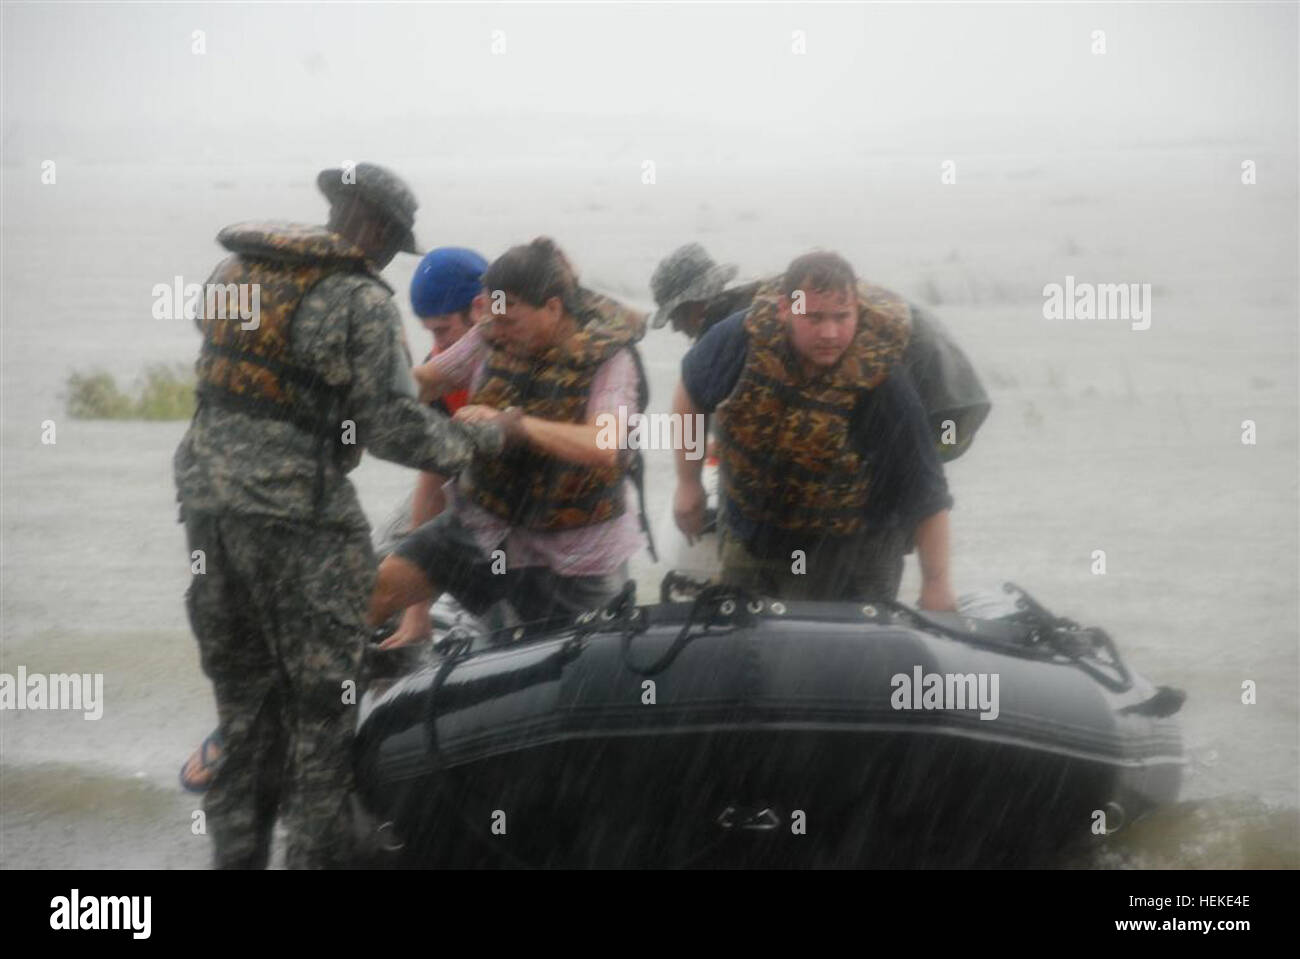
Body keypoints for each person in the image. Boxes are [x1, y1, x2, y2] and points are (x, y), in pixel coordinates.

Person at [174, 163, 507, 868]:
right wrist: (476, 436)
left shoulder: (234, 271)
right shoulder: (358, 297)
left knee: (245, 719)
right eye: (392, 243)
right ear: (381, 230)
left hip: (208, 512)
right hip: (300, 526)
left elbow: (266, 382)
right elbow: (390, 428)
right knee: (321, 724)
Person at [369, 237, 651, 647]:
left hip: (574, 551)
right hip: (485, 523)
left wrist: (515, 427)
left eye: (510, 322)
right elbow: (432, 380)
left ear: (552, 308)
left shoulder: (611, 359)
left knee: (590, 661)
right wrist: (365, 391)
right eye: (493, 319)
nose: (497, 333)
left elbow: (604, 445)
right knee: (373, 594)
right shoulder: (494, 329)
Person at [672, 250, 957, 609]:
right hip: (757, 534)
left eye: (842, 317)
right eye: (814, 317)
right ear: (784, 310)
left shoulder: (882, 381)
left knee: (850, 659)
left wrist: (937, 582)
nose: (830, 333)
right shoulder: (740, 339)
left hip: (855, 546)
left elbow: (927, 491)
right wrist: (688, 481)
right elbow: (690, 391)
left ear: (857, 312)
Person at [382, 247, 488, 646]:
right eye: (429, 332)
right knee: (382, 563)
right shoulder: (440, 374)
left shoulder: (518, 362)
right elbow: (432, 479)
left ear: (479, 312)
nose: (437, 347)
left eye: (442, 330)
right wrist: (416, 611)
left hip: (518, 505)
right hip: (459, 486)